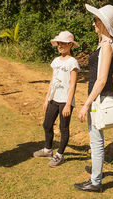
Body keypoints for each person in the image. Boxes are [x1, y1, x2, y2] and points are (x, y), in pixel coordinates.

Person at [74, 4, 113, 193]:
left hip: (100, 98)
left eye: (96, 19)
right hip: (99, 97)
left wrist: (86, 104)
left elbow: (101, 79)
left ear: (103, 23)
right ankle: (97, 170)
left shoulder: (107, 46)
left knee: (96, 140)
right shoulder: (107, 43)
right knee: (96, 139)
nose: (93, 22)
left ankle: (96, 181)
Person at [33, 31, 80, 167]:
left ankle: (59, 155)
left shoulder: (73, 62)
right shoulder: (56, 61)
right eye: (58, 43)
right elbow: (52, 81)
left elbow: (72, 85)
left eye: (63, 43)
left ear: (70, 45)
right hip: (54, 99)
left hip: (65, 101)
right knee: (47, 125)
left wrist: (68, 104)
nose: (60, 46)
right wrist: (46, 99)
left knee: (63, 128)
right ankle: (48, 149)